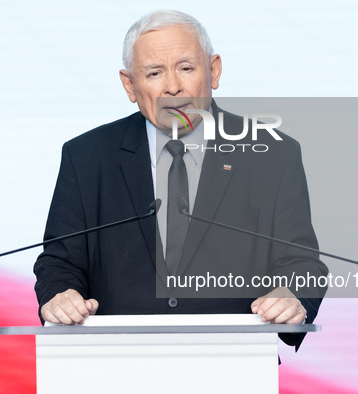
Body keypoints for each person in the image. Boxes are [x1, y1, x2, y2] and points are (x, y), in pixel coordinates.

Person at [33, 10, 327, 349]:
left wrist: (293, 298)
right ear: (130, 85)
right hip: (113, 360)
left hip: (234, 360)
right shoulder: (86, 156)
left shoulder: (272, 154)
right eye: (155, 72)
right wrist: (60, 295)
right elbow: (60, 260)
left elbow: (302, 262)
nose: (173, 86)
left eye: (186, 68)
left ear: (214, 71)